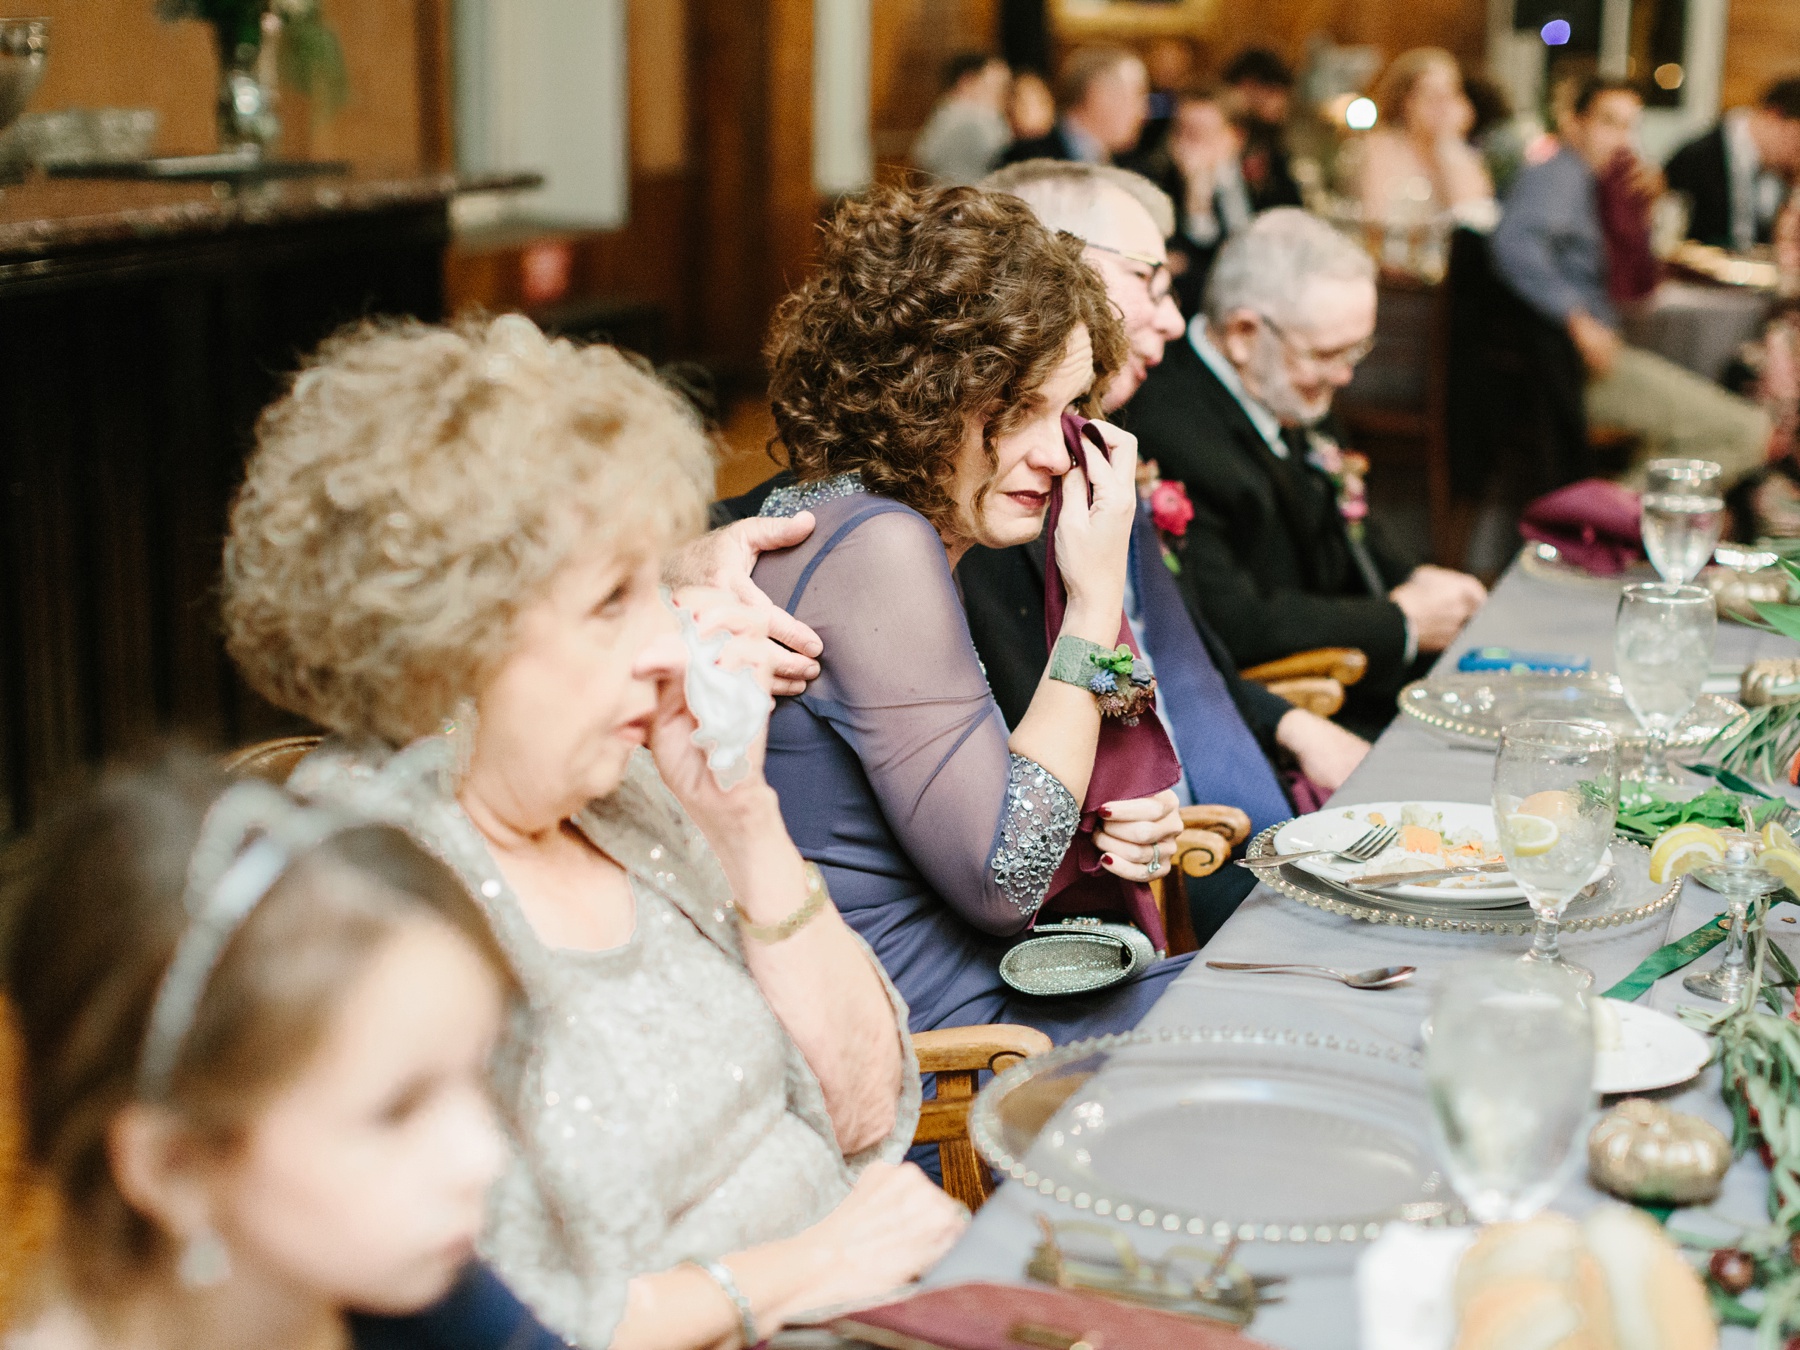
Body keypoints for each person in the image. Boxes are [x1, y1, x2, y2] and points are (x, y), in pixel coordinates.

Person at [221, 315, 966, 1348]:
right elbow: (496, 1326)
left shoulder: (628, 792)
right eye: (614, 601)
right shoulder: (371, 899)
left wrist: (746, 825)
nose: (671, 643)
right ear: (454, 632)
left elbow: (864, 1113)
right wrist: (797, 1271)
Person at [746, 182, 1193, 1041]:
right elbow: (1004, 874)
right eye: (1019, 410)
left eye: (1068, 410)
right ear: (919, 395)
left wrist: (1114, 806)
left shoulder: (864, 522)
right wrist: (1096, 600)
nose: (1055, 451)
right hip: (958, 1053)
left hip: (985, 1009)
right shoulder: (878, 546)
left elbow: (1003, 794)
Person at [0, 748, 567, 1350]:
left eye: (479, 1073)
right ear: (174, 1166)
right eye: (397, 1112)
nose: (486, 1156)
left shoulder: (434, 1301)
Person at [969, 161, 1369, 939]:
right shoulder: (994, 497)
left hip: (1207, 824)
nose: (1176, 320)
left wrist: (1289, 725)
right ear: (1044, 268)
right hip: (1129, 885)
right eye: (1149, 281)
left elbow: (1166, 663)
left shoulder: (1109, 455)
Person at [1125, 208, 1489, 736]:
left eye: (1356, 350)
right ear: (1245, 333)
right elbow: (1231, 623)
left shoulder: (1279, 381)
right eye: (1326, 354)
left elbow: (1343, 524)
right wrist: (1401, 619)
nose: (1344, 375)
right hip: (1283, 710)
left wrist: (1416, 579)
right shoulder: (1169, 432)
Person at [1491, 77, 1773, 484]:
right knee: (1750, 432)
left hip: (1581, 366)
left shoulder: (1597, 184)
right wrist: (1577, 319)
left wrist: (1642, 207)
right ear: (1573, 122)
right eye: (1609, 122)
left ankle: (1610, 523)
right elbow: (1515, 245)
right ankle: (1600, 524)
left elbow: (1633, 284)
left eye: (1629, 126)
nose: (1621, 138)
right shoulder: (1560, 175)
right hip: (1568, 374)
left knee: (1680, 438)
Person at [1135, 86, 1255, 315]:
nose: (1190, 145)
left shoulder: (1260, 180)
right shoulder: (1156, 183)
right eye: (1183, 132)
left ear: (1235, 137)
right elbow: (1190, 272)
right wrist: (1196, 198)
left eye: (1203, 134)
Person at [1343, 47, 1494, 226]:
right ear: (1406, 102)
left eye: (1451, 94)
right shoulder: (1380, 148)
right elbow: (1378, 219)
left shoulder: (1460, 154)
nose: (1443, 107)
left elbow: (1476, 219)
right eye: (1432, 96)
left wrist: (1449, 144)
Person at [1666, 76, 1800, 252]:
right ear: (1773, 116)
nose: (1796, 153)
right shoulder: (1698, 155)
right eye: (1796, 140)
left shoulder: (1780, 174)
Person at [1001, 45, 1148, 167]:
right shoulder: (1028, 161)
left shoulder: (1133, 166)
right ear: (1098, 95)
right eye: (1137, 96)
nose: (1143, 112)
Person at [1221, 47, 1304, 211]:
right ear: (1247, 87)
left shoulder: (1270, 141)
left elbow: (1291, 204)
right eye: (1274, 91)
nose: (1282, 101)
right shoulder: (1223, 140)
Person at [912, 52, 1013, 186]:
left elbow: (922, 156)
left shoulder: (944, 114)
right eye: (997, 87)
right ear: (967, 82)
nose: (1004, 97)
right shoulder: (977, 120)